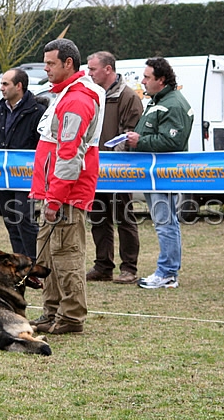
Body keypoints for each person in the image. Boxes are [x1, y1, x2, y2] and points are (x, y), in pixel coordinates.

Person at [29, 38, 105, 335]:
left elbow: (70, 153)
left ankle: (71, 316)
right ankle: (51, 312)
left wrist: (55, 199)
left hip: (65, 195)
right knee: (48, 256)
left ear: (68, 63)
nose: (45, 68)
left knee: (66, 255)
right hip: (54, 192)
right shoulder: (66, 95)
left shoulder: (77, 100)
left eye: (50, 63)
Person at [125, 57, 193, 290]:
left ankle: (167, 272)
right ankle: (168, 270)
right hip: (154, 174)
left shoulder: (173, 104)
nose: (142, 81)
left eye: (147, 77)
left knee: (165, 223)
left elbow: (172, 140)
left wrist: (139, 141)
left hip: (164, 174)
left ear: (160, 80)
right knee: (164, 222)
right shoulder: (158, 101)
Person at [85, 51, 143, 284]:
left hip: (119, 170)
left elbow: (132, 132)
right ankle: (103, 266)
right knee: (98, 217)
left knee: (125, 218)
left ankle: (129, 267)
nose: (89, 73)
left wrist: (114, 161)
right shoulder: (92, 95)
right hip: (94, 168)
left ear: (108, 69)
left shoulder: (128, 97)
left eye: (93, 69)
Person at [0, 68, 45, 260]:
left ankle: (36, 261)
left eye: (5, 84)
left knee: (24, 219)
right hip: (3, 176)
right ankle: (21, 262)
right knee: (11, 220)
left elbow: (42, 145)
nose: (1, 88)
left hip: (26, 176)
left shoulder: (37, 112)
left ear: (19, 86)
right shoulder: (1, 111)